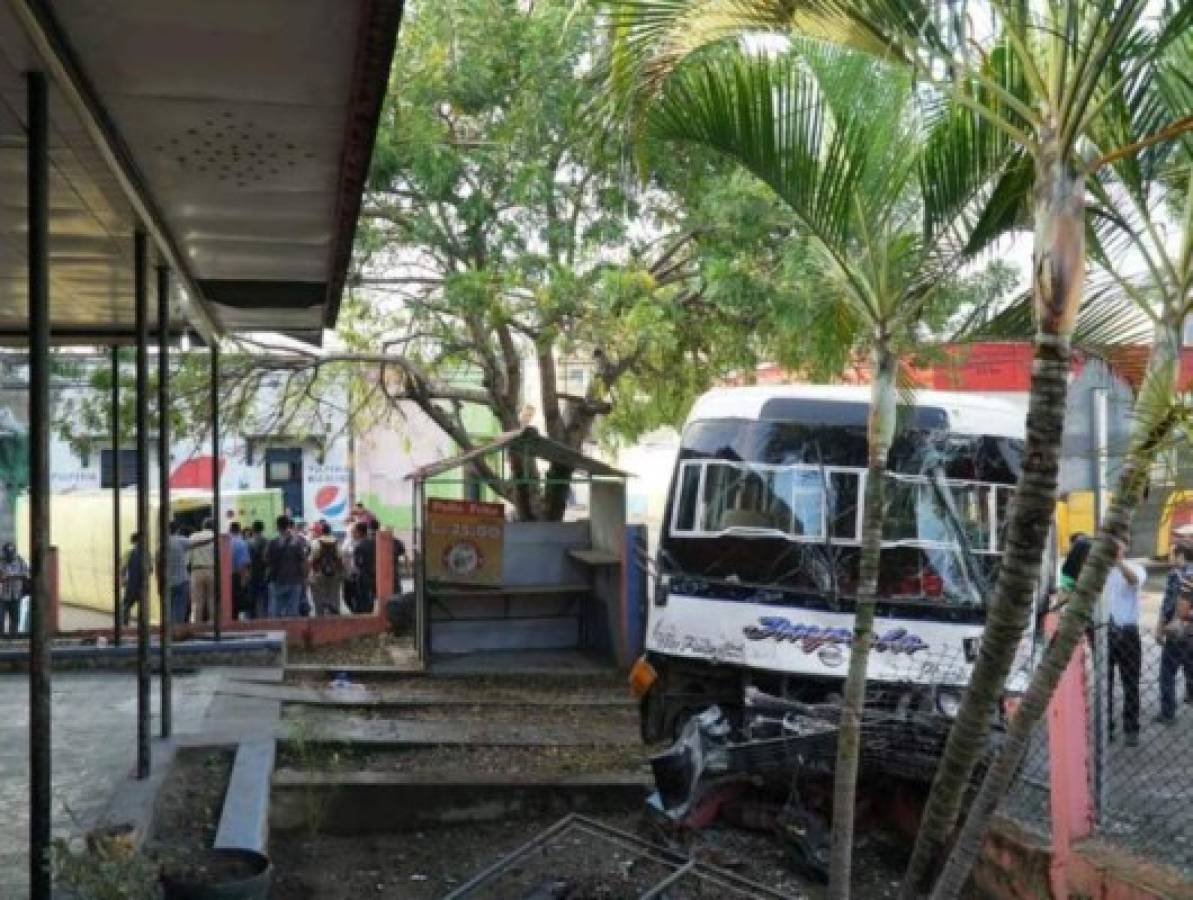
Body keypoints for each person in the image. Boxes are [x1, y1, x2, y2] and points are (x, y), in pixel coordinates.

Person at [1104, 537, 1145, 746]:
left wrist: (1118, 562)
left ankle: (1131, 727)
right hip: (1105, 633)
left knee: (1131, 683)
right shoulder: (1099, 572)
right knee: (1105, 684)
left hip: (1128, 632)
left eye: (1117, 546)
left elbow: (1134, 581)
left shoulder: (1135, 568)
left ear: (1125, 548)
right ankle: (1106, 726)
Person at [1156, 543, 1193, 724]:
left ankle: (1168, 713)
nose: (1171, 559)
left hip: (1180, 631)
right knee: (1191, 666)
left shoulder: (1177, 575)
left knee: (1167, 673)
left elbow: (1169, 603)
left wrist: (1161, 627)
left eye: (1173, 555)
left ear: (1180, 556)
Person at [266, 515, 308, 617]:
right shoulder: (297, 542)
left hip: (277, 581)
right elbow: (303, 562)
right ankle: (292, 632)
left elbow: (267, 560)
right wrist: (304, 577)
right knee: (292, 612)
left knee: (276, 612)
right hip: (295, 580)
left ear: (277, 526)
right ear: (288, 525)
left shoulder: (273, 542)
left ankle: (277, 632)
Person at [309, 524, 345, 616]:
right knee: (334, 596)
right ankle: (334, 618)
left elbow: (311, 559)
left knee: (319, 597)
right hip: (334, 573)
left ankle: (320, 617)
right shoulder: (337, 542)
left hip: (319, 573)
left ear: (321, 532)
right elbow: (340, 558)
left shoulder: (315, 542)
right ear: (330, 531)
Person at [188, 518, 217, 623]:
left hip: (196, 570)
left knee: (197, 600)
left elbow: (188, 557)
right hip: (211, 569)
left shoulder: (193, 536)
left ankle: (196, 623)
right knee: (212, 598)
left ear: (203, 526)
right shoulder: (216, 537)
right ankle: (213, 622)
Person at [121, 533, 151, 627]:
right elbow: (123, 567)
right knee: (128, 604)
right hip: (136, 583)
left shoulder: (145, 553)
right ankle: (126, 623)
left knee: (131, 604)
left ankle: (132, 623)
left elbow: (150, 569)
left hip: (136, 583)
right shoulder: (131, 553)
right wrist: (123, 578)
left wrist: (123, 578)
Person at [165, 521, 191, 626]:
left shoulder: (162, 542)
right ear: (178, 530)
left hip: (168, 582)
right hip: (182, 580)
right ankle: (178, 629)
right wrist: (212, 539)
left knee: (170, 607)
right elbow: (196, 542)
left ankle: (170, 629)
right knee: (180, 607)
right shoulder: (180, 540)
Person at [0, 542, 28, 635]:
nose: (10, 556)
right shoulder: (1, 562)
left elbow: (26, 574)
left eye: (11, 553)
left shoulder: (20, 561)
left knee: (15, 619)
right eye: (8, 553)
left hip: (16, 595)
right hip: (2, 596)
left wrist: (15, 576)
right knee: (0, 619)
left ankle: (13, 638)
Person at [351, 520, 376, 614]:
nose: (354, 534)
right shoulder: (373, 543)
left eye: (355, 531)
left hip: (363, 576)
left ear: (360, 532)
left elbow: (358, 563)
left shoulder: (360, 545)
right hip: (373, 574)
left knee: (362, 599)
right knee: (370, 599)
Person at [229, 522, 252, 620]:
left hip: (226, 576)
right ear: (239, 530)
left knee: (231, 603)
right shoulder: (242, 543)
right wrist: (244, 578)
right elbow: (244, 563)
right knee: (240, 602)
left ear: (230, 530)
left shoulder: (227, 542)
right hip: (237, 576)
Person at [248, 520, 269, 619]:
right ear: (263, 528)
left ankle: (252, 618)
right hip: (263, 573)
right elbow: (267, 558)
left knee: (252, 598)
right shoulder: (267, 541)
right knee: (264, 599)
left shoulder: (248, 542)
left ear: (253, 528)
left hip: (251, 573)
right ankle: (264, 618)